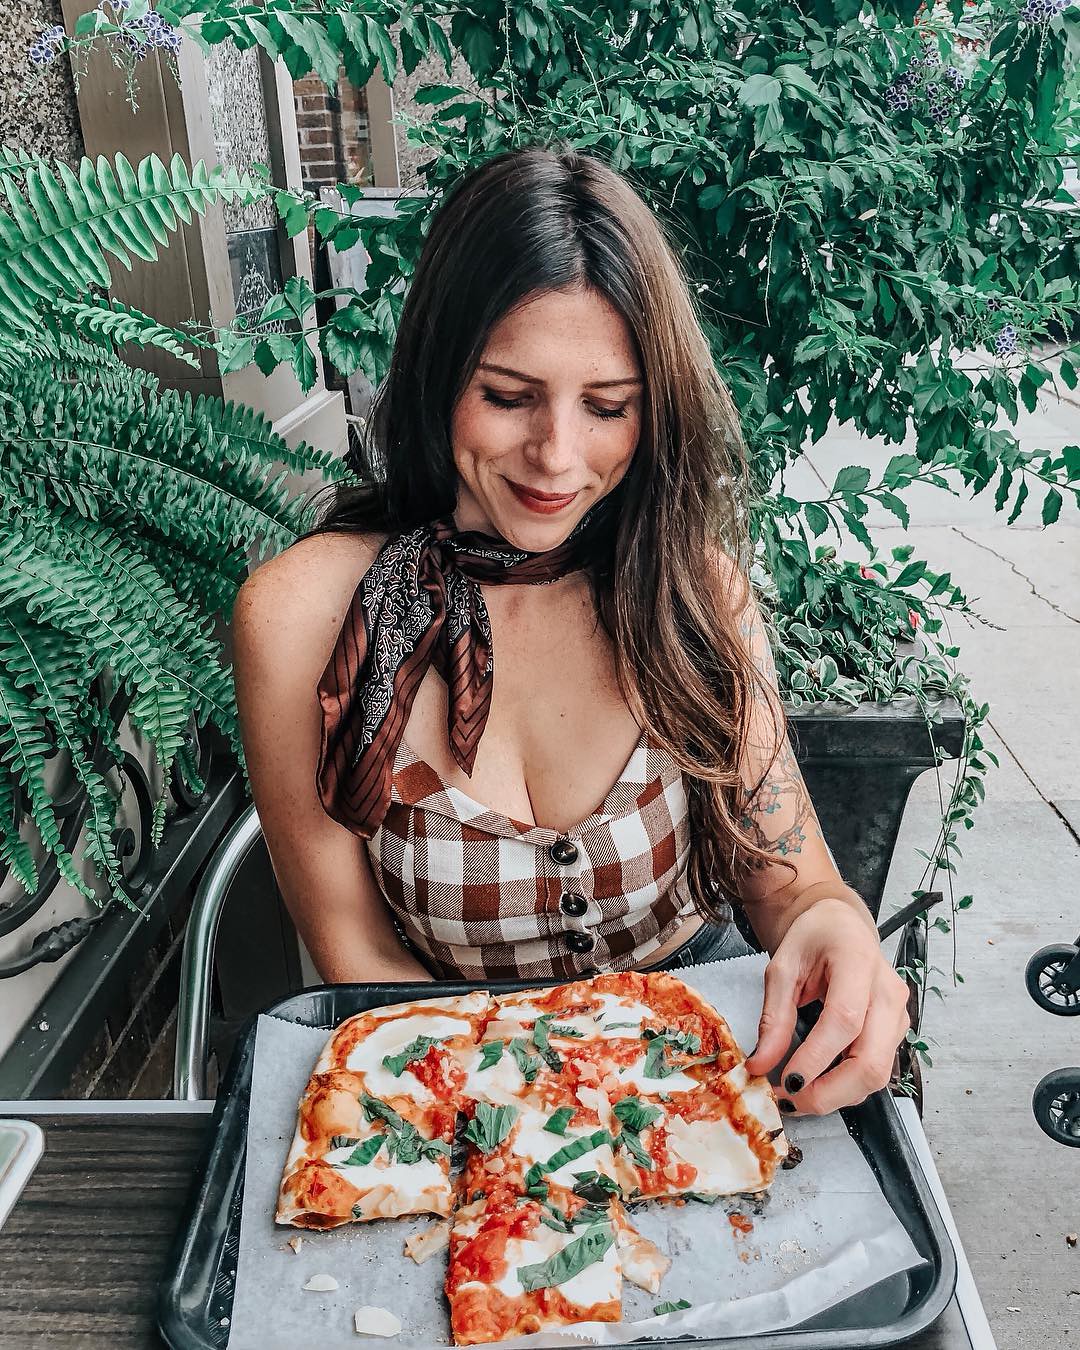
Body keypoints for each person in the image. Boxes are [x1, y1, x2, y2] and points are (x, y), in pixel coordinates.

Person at [232, 145, 910, 1118]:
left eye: (608, 408)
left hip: (707, 1083)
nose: (556, 456)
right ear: (437, 373)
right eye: (508, 396)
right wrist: (544, 1131)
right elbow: (360, 966)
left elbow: (788, 884)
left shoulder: (692, 589)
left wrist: (836, 928)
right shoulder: (300, 620)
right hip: (446, 1093)